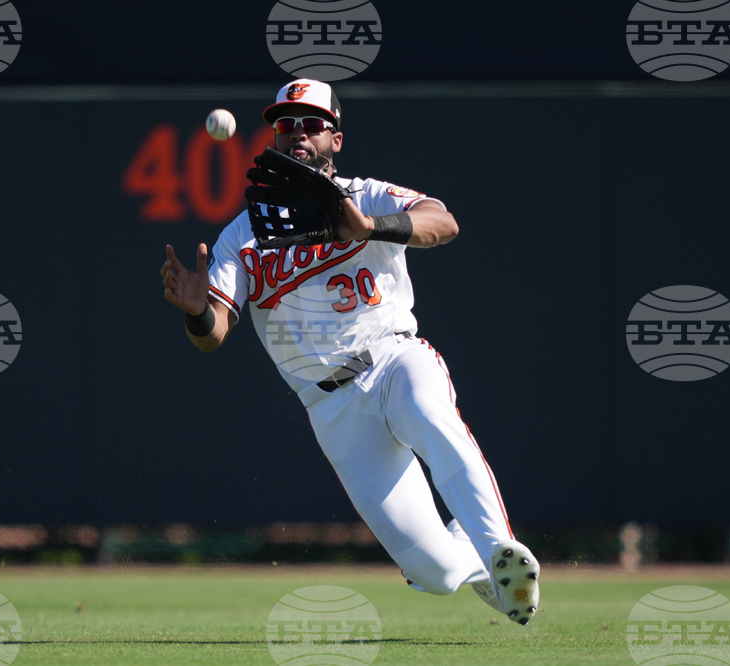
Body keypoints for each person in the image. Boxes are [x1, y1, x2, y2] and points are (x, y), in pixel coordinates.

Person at [161, 79, 541, 625]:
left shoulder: (366, 196)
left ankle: (500, 547)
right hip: (330, 407)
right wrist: (198, 311)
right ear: (274, 135)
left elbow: (444, 221)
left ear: (334, 139)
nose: (299, 134)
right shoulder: (240, 236)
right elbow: (213, 333)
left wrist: (374, 227)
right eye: (287, 123)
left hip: (394, 358)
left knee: (432, 416)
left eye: (313, 123)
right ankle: (480, 563)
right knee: (433, 574)